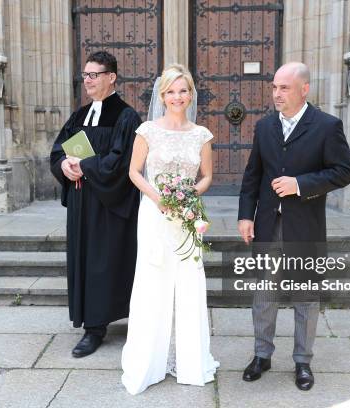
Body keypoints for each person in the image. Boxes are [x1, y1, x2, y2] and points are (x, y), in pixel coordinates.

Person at [237, 62, 350, 390]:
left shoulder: (328, 126)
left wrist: (300, 184)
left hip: (306, 225)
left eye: (284, 88)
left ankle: (303, 361)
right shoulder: (264, 127)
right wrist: (246, 215)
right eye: (274, 87)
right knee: (263, 292)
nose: (276, 94)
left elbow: (343, 172)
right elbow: (252, 177)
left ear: (304, 89)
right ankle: (262, 354)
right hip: (267, 224)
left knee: (306, 295)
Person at [121, 64, 219, 395]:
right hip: (154, 214)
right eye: (171, 91)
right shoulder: (147, 130)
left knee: (189, 284)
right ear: (162, 95)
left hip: (188, 216)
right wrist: (159, 198)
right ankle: (151, 361)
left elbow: (206, 176)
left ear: (191, 94)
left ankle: (187, 359)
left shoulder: (201, 134)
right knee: (153, 282)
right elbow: (134, 172)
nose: (178, 97)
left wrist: (191, 193)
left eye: (183, 90)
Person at [50, 51, 141, 358]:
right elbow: (58, 150)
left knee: (106, 262)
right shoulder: (79, 115)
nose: (86, 81)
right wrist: (64, 165)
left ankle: (98, 328)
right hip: (80, 205)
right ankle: (90, 322)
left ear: (111, 77)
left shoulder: (127, 117)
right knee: (84, 261)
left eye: (93, 75)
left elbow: (121, 161)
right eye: (85, 75)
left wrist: (84, 166)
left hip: (108, 207)